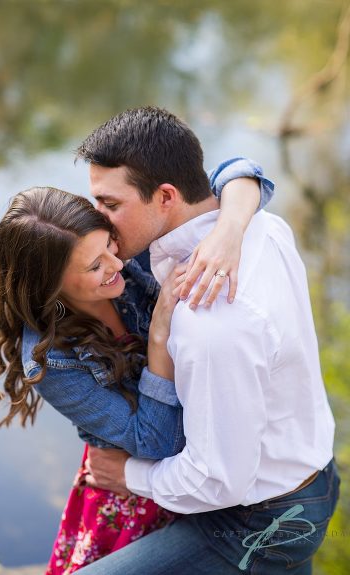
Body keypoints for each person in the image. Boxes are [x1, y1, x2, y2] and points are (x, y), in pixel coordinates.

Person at [76, 107, 337, 574]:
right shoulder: (264, 226)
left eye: (110, 205)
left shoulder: (208, 317)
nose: (98, 221)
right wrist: (234, 220)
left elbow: (218, 480)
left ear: (166, 197)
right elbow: (240, 176)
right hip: (310, 475)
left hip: (259, 520)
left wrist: (126, 475)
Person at [0, 157, 270, 573]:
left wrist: (229, 230)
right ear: (51, 286)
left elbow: (243, 172)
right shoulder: (51, 362)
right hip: (135, 489)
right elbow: (157, 443)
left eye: (109, 246)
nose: (118, 265)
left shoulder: (121, 255)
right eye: (95, 266)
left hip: (205, 469)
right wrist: (159, 336)